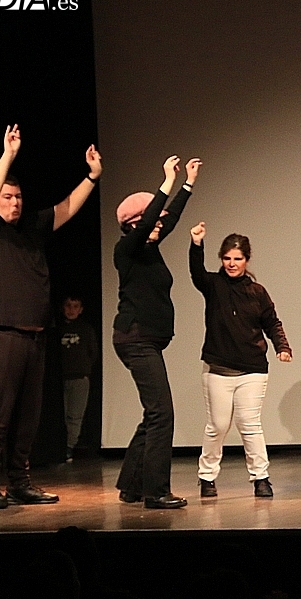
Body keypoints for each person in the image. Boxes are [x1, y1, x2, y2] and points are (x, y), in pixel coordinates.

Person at [0, 124, 100, 510]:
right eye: (8, 197)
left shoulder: (31, 230)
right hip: (1, 337)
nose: (14, 203)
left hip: (36, 337)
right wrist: (8, 155)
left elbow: (65, 208)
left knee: (29, 416)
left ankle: (20, 480)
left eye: (19, 197)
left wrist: (92, 176)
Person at [113, 155, 199, 509]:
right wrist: (165, 181)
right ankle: (156, 492)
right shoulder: (127, 250)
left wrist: (188, 184)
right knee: (163, 413)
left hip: (145, 340)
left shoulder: (150, 250)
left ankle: (131, 485)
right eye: (152, 221)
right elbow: (153, 216)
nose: (160, 225)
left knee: (154, 413)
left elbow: (169, 218)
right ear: (133, 224)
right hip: (136, 339)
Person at [190, 225, 292, 498]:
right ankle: (207, 477)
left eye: (237, 259)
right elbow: (196, 274)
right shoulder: (213, 285)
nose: (232, 264)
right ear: (221, 259)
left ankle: (261, 478)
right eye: (227, 258)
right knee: (218, 426)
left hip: (253, 369)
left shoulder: (257, 291)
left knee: (250, 424)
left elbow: (272, 321)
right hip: (218, 369)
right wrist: (196, 244)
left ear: (247, 260)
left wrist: (282, 346)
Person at [58, 295, 98, 463]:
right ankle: (57, 446)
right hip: (59, 378)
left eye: (75, 306)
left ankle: (69, 447)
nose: (71, 310)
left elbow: (93, 353)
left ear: (81, 310)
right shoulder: (57, 328)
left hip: (79, 377)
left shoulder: (86, 329)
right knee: (60, 415)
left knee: (75, 416)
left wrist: (84, 369)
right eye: (68, 305)